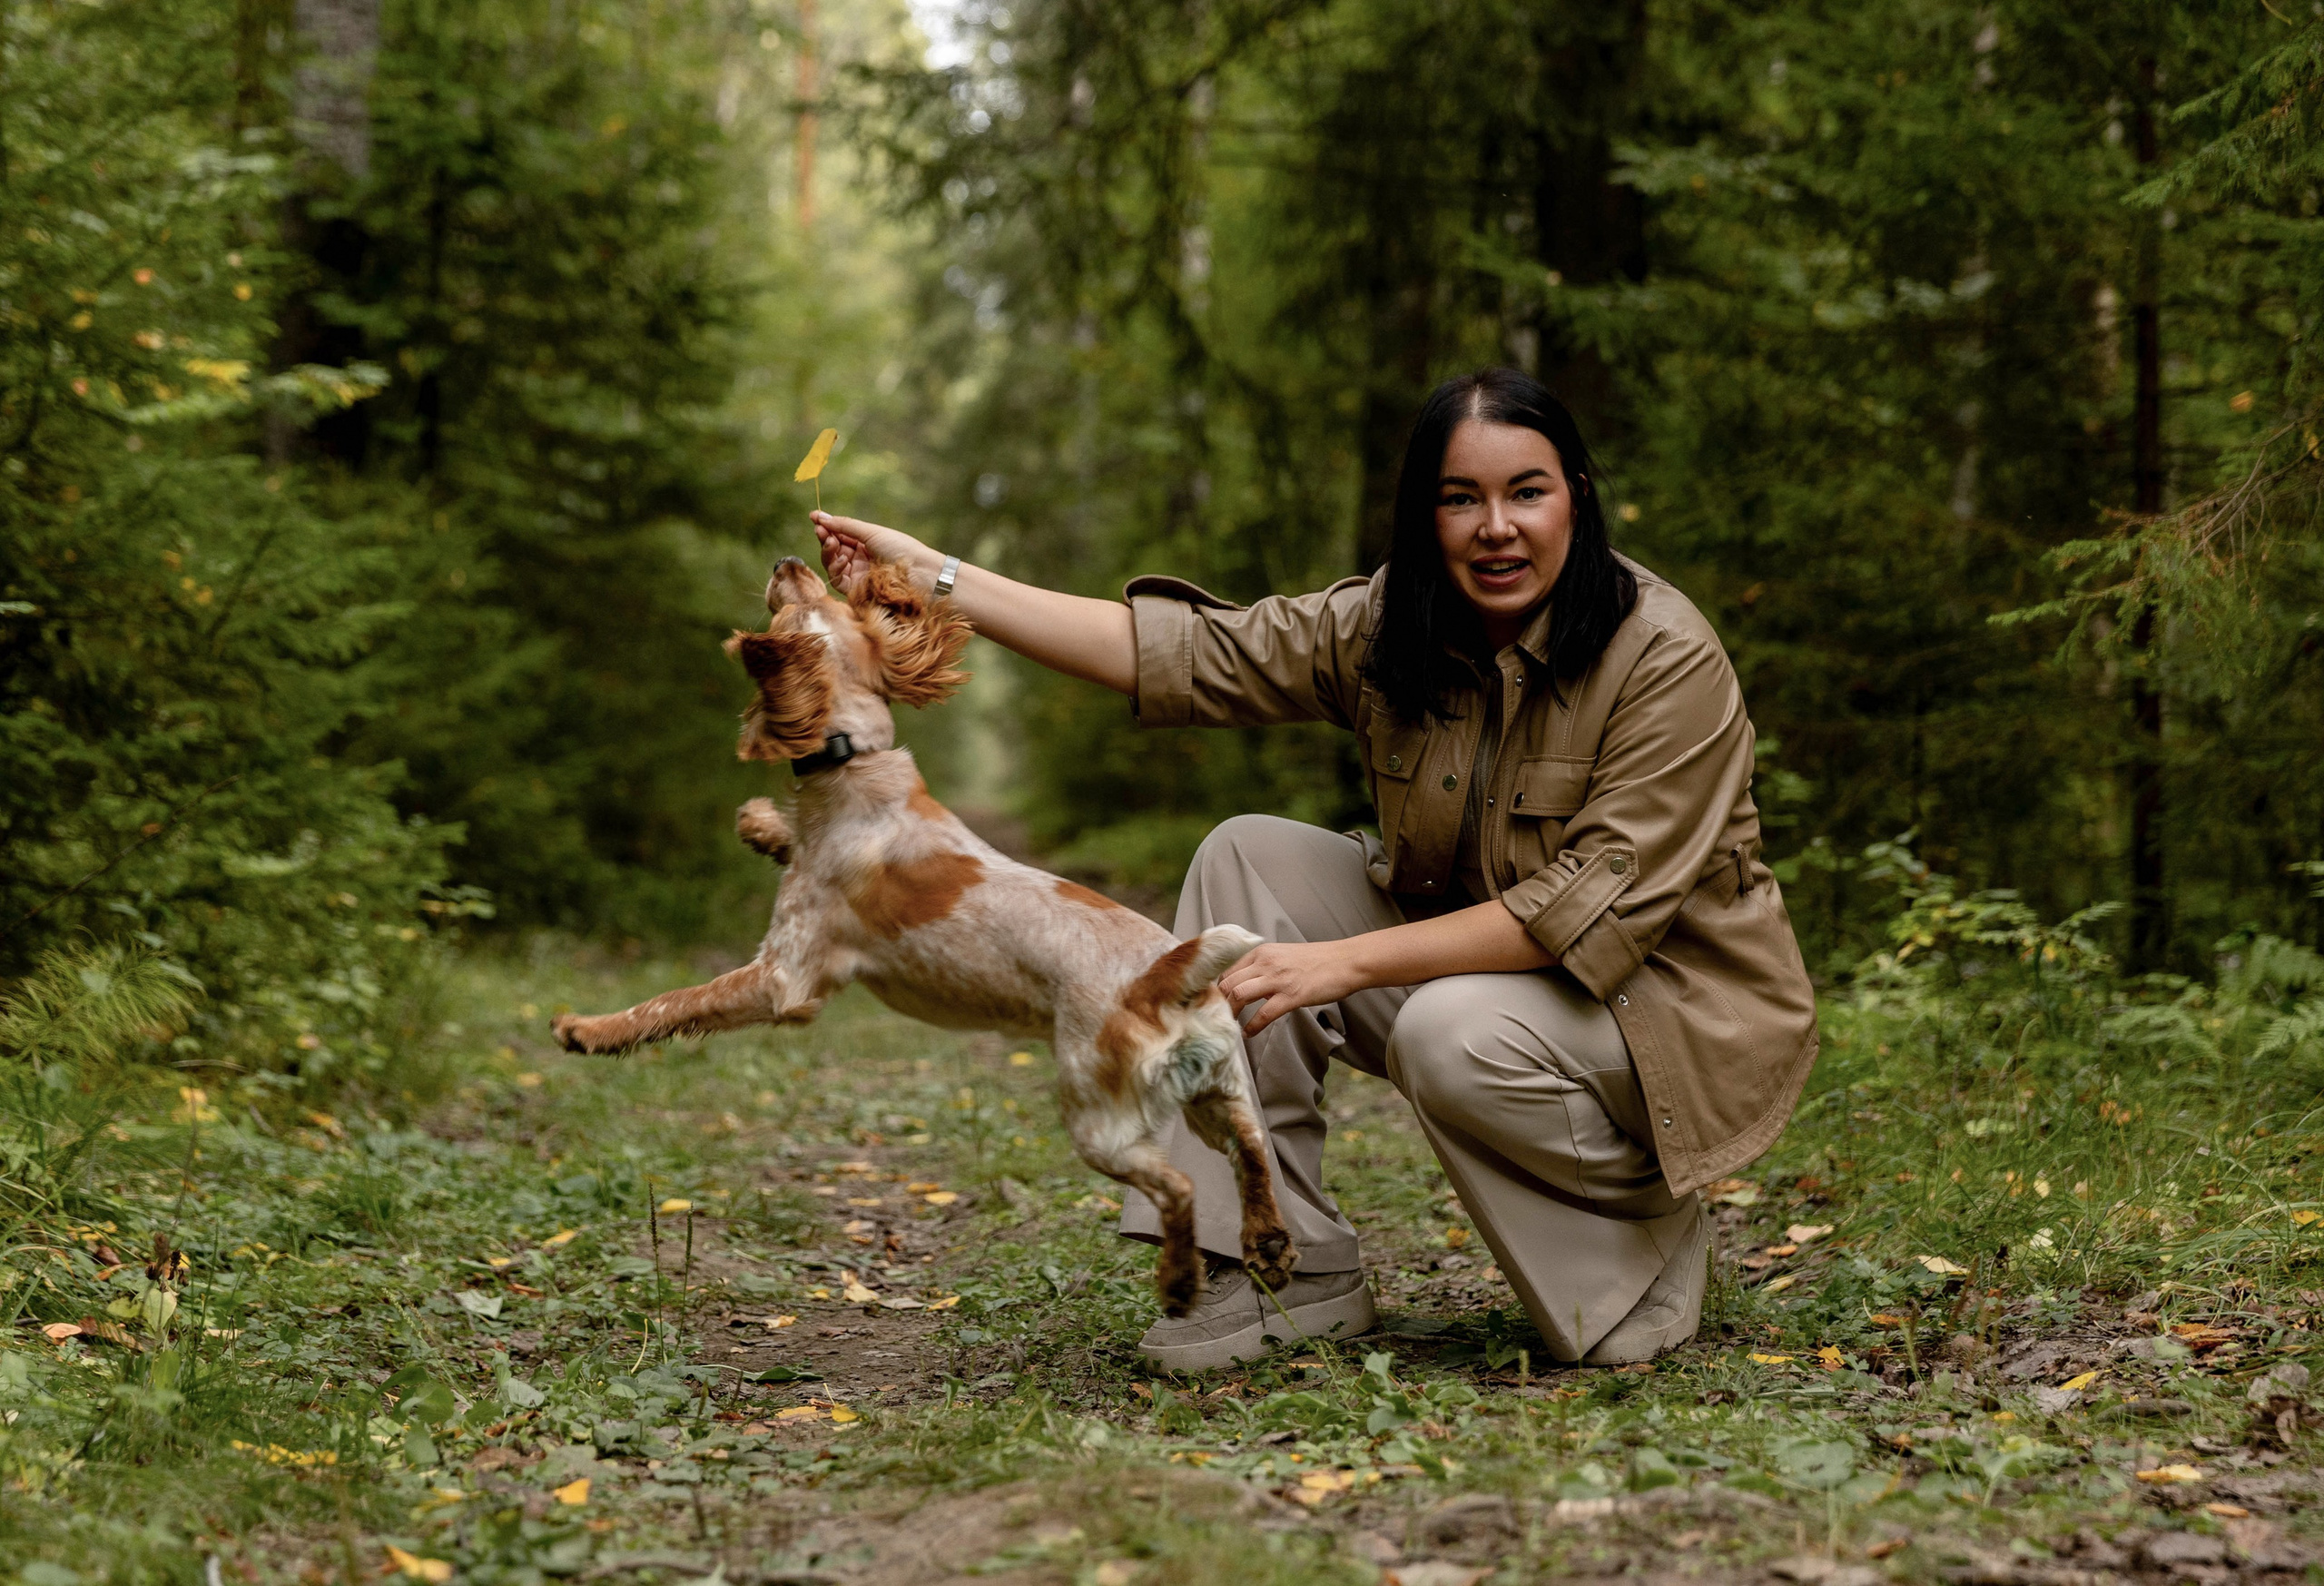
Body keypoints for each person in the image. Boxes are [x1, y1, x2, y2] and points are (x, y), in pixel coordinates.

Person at [810, 367, 1818, 1372]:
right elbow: (1171, 651)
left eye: (1527, 491)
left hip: (1663, 1012)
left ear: (1578, 497)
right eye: (1459, 498)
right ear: (1424, 517)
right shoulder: (1396, 622)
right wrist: (929, 571)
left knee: (1447, 1031)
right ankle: (1280, 1265)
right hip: (1495, 973)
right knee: (1246, 854)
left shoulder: (1663, 654)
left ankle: (1638, 1254)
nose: (1494, 526)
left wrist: (1343, 964)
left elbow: (1579, 915)